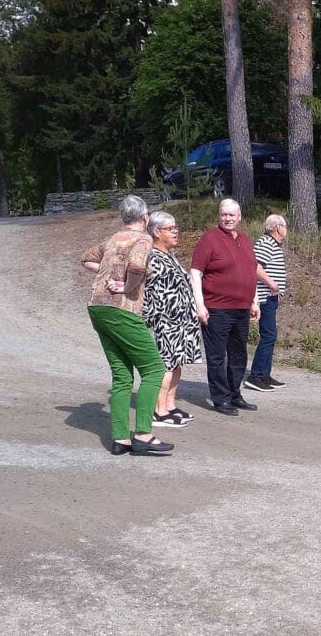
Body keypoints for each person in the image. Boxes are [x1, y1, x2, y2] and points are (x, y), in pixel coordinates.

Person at [81, 195, 171, 455]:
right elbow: (137, 266)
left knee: (122, 376)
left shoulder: (113, 239)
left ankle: (121, 439)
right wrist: (127, 286)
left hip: (97, 307)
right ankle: (143, 434)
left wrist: (109, 273)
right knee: (154, 369)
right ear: (145, 218)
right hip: (121, 310)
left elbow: (86, 258)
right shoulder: (143, 239)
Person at [190, 199, 261, 416]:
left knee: (239, 355)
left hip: (241, 309)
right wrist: (200, 305)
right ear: (219, 216)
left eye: (231, 215)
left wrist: (255, 301)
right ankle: (220, 399)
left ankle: (234, 394)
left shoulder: (245, 240)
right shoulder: (209, 239)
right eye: (224, 215)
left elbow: (251, 271)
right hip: (216, 309)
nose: (228, 219)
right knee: (217, 357)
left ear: (239, 217)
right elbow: (195, 273)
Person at [139, 211, 203, 427]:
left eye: (176, 227)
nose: (176, 232)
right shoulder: (152, 257)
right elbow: (146, 291)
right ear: (156, 232)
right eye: (170, 228)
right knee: (166, 365)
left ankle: (170, 405)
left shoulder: (169, 255)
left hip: (180, 323)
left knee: (176, 364)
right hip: (164, 323)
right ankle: (159, 411)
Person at [244, 214, 288, 392]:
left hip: (270, 298)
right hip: (264, 297)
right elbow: (254, 266)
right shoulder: (266, 243)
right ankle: (256, 376)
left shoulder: (272, 244)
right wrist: (272, 283)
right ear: (277, 228)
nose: (286, 230)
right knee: (269, 335)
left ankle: (264, 374)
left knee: (270, 335)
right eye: (285, 226)